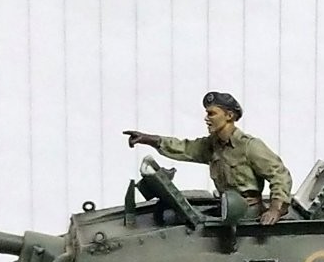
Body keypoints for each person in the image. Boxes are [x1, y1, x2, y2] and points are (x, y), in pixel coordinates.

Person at [123, 91, 293, 225]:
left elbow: (279, 175)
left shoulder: (250, 146)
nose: (206, 118)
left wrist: (275, 209)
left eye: (212, 114)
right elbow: (184, 148)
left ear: (229, 116)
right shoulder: (213, 145)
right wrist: (149, 139)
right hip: (227, 210)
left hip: (248, 216)